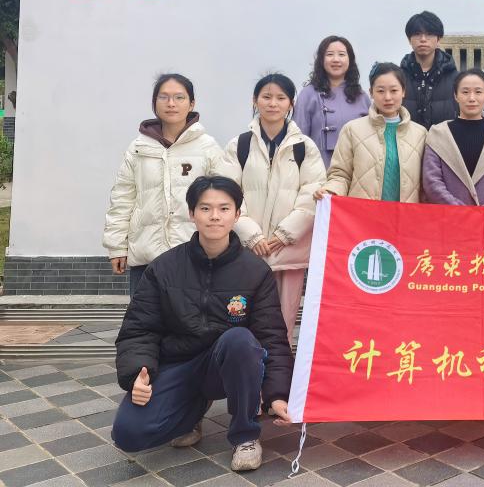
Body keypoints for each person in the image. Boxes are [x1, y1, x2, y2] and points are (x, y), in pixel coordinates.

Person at [110, 175, 293, 473]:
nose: (214, 216)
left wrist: (277, 394)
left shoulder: (255, 271)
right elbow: (139, 328)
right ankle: (192, 411)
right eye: (205, 208)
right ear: (192, 213)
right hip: (177, 364)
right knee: (129, 435)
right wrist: (136, 376)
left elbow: (271, 335)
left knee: (240, 340)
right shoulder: (164, 267)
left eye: (224, 208)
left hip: (223, 365)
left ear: (237, 214)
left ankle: (245, 435)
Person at [215, 74, 326, 343]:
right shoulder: (239, 145)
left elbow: (313, 192)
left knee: (284, 317)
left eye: (280, 98)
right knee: (242, 314)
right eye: (266, 97)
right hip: (248, 249)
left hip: (288, 248)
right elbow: (226, 193)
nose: (273, 103)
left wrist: (286, 233)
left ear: (291, 103)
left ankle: (279, 365)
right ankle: (245, 363)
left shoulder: (304, 147)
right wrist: (251, 235)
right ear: (255, 101)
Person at [104, 74, 222, 296]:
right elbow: (122, 198)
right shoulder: (138, 147)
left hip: (193, 253)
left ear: (191, 104)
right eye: (164, 97)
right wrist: (117, 246)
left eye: (179, 97)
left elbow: (224, 200)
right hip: (147, 255)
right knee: (144, 315)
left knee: (192, 315)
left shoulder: (207, 147)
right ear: (154, 102)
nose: (171, 103)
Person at [319, 62, 427, 202]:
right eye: (380, 91)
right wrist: (330, 190)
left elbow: (426, 184)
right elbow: (340, 174)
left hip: (405, 214)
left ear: (403, 91)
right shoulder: (352, 130)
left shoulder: (421, 134)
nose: (387, 97)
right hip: (363, 213)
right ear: (371, 92)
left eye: (394, 90)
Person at [423, 69, 484, 206]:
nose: (472, 98)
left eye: (478, 92)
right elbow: (432, 181)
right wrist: (460, 211)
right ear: (456, 95)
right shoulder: (438, 134)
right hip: (449, 215)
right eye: (465, 92)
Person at [294, 35, 370, 168]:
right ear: (321, 59)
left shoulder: (362, 96)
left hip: (356, 170)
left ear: (350, 60)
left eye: (342, 54)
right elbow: (298, 138)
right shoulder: (308, 94)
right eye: (329, 54)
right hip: (317, 170)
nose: (336, 59)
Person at [400, 11, 459, 128]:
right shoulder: (399, 77)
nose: (423, 39)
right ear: (409, 39)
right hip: (406, 139)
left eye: (429, 34)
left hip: (444, 138)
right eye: (417, 34)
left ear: (439, 39)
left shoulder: (455, 78)